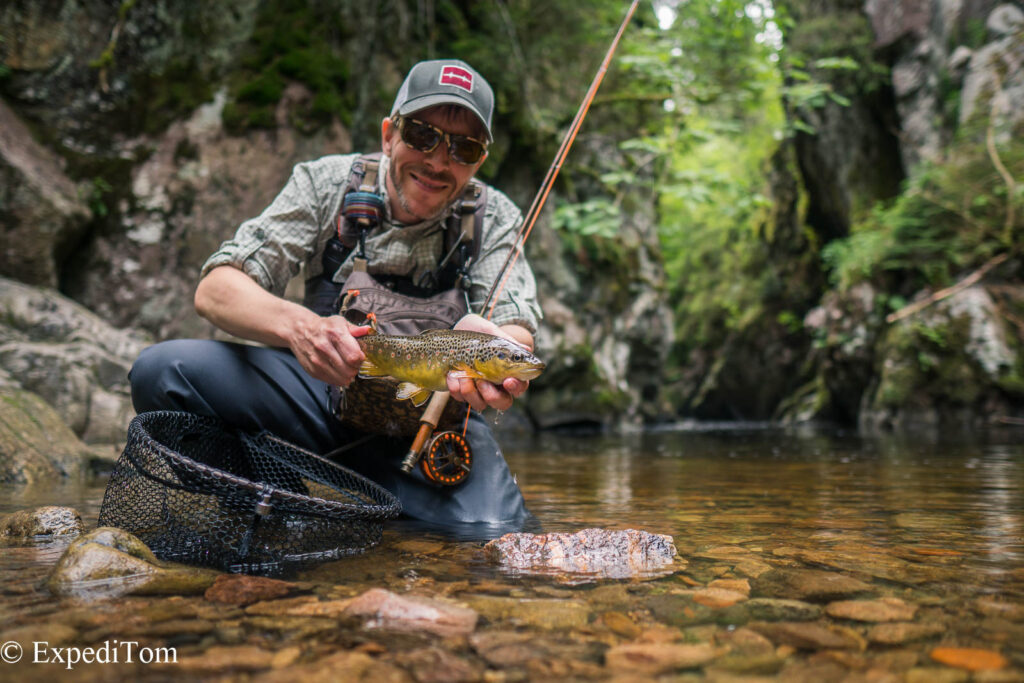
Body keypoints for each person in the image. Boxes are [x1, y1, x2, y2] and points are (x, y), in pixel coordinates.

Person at [129, 59, 542, 531]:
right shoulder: (327, 184)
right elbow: (217, 288)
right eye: (422, 135)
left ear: (479, 161)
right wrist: (301, 327)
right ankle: (273, 504)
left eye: (463, 148)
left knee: (494, 535)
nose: (437, 161)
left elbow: (515, 329)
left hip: (431, 423)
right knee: (164, 374)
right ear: (390, 134)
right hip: (318, 400)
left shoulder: (494, 215)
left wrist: (493, 350)